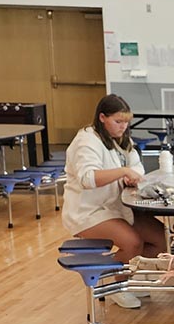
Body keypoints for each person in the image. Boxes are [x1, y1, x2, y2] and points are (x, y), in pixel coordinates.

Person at [62, 94, 166, 308]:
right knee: (132, 242)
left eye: (126, 122)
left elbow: (136, 166)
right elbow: (87, 178)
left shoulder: (121, 140)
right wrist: (122, 171)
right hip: (88, 213)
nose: (123, 127)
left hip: (116, 207)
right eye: (118, 121)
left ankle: (129, 276)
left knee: (161, 239)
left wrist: (131, 176)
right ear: (102, 118)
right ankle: (117, 286)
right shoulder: (86, 140)